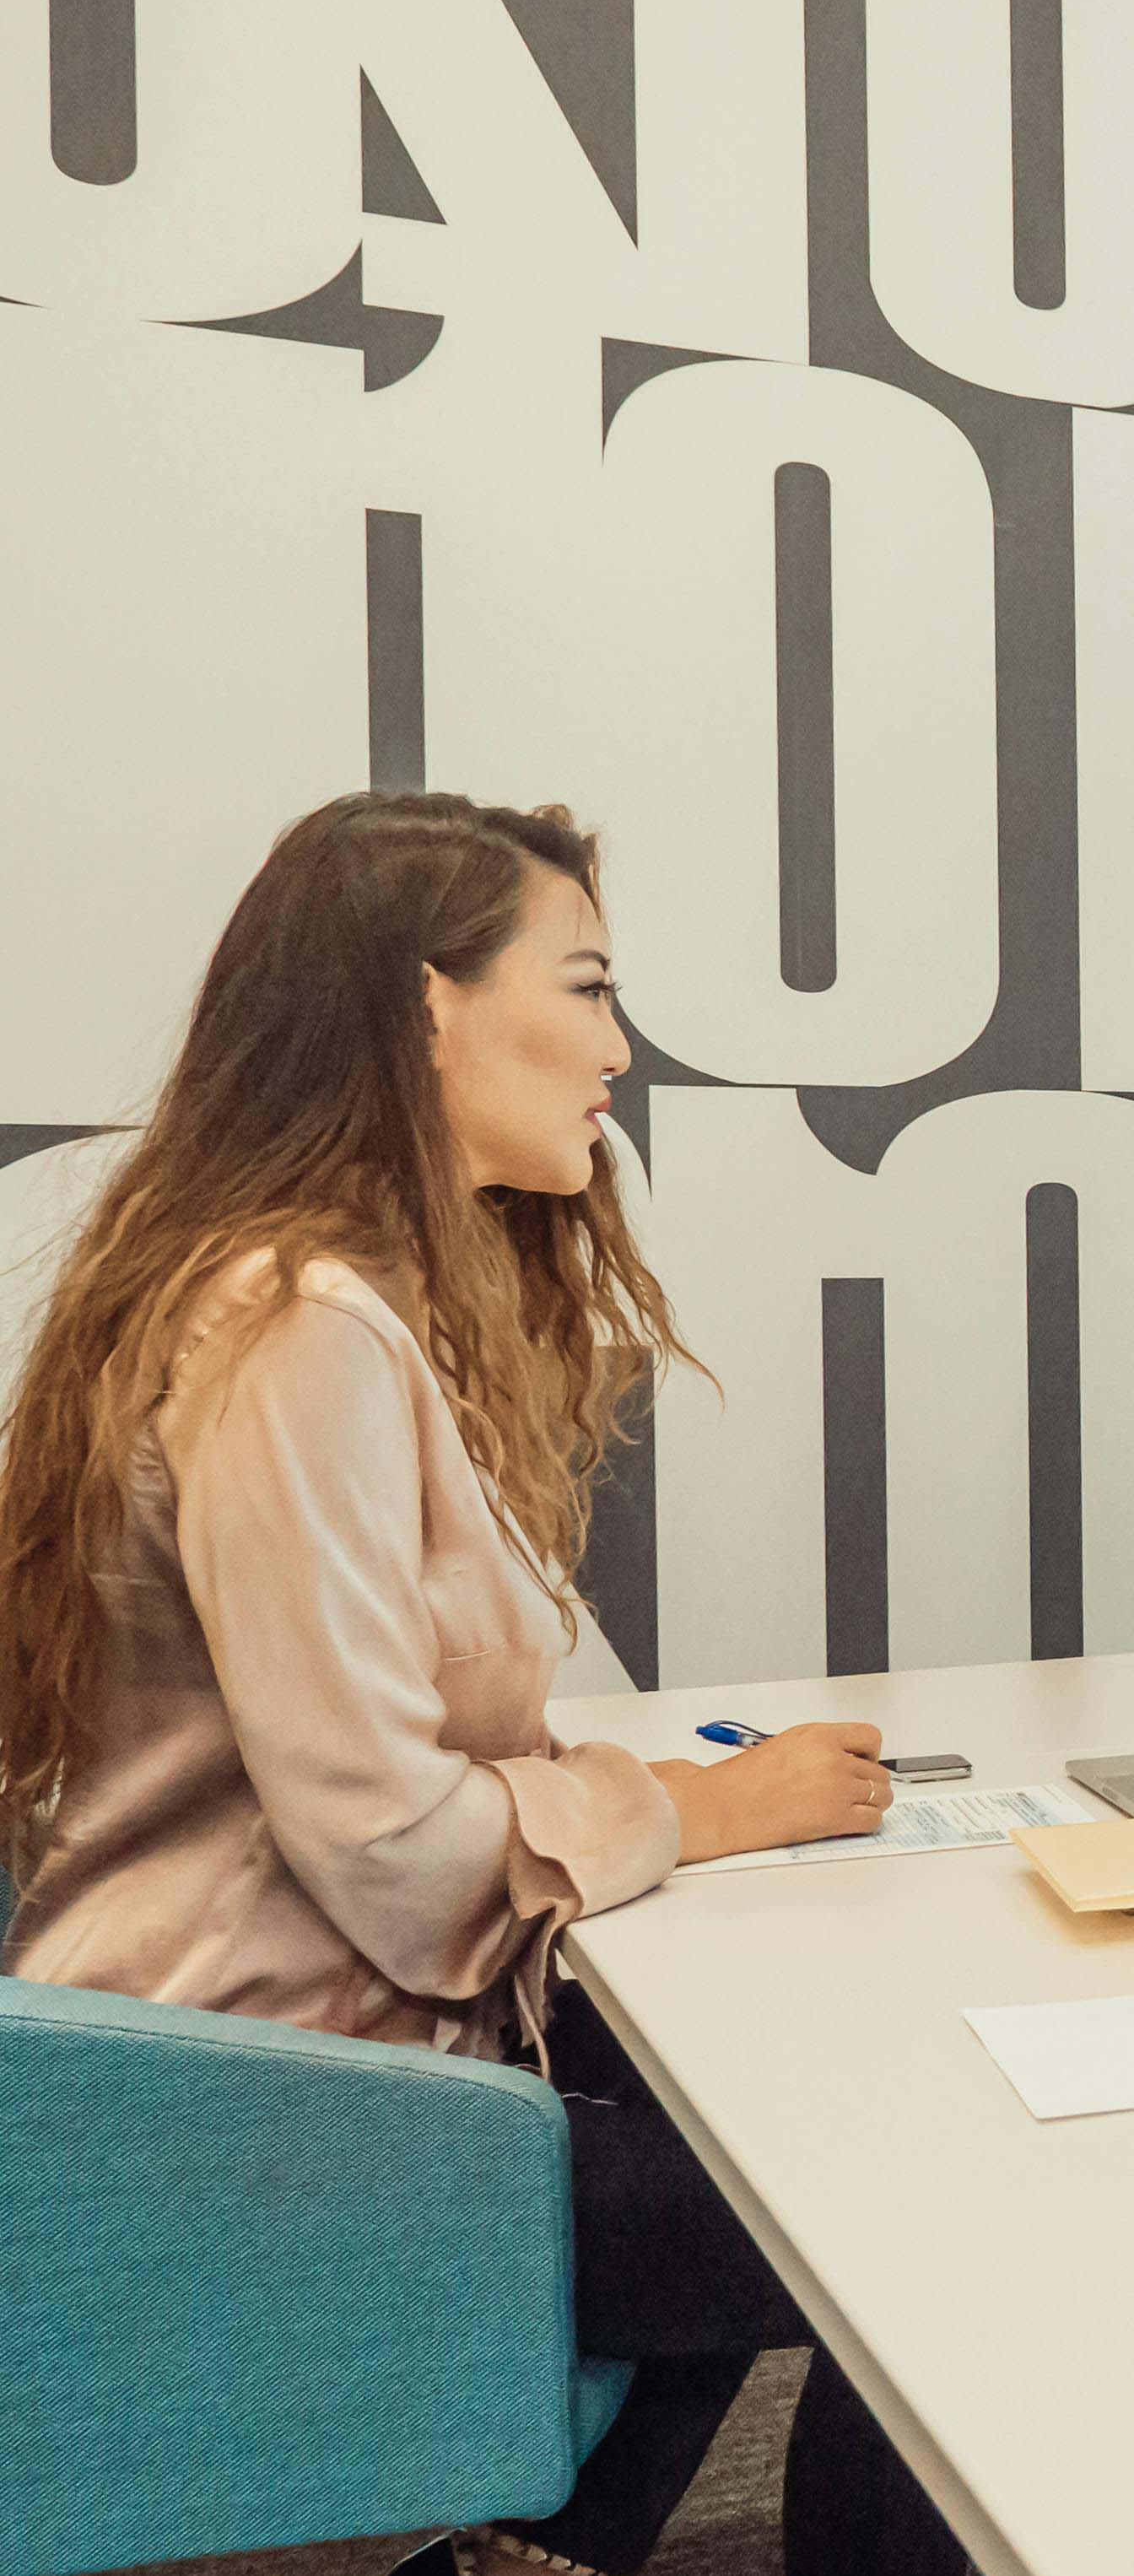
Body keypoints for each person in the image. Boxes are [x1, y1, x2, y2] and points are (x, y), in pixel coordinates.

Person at [0, 795, 964, 2576]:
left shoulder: (317, 1298)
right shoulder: (299, 1325)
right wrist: (689, 1806)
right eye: (585, 986)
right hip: (277, 2128)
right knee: (890, 2216)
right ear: (424, 1005)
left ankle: (510, 2546)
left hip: (308, 2081)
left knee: (789, 2140)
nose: (615, 1046)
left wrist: (642, 1805)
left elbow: (397, 1763)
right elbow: (389, 1842)